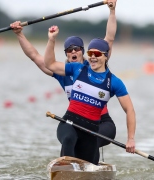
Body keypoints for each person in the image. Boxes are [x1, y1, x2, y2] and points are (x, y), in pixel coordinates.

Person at [10, 0, 118, 163]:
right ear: (66, 55)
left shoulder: (94, 66)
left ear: (83, 53)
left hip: (102, 123)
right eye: (69, 50)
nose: (73, 52)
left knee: (91, 140)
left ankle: (89, 169)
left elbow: (109, 39)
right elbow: (35, 56)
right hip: (76, 120)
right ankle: (66, 170)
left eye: (77, 49)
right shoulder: (62, 73)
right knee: (69, 140)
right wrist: (19, 34)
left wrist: (112, 11)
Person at [44, 25, 136, 165]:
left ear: (106, 56)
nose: (92, 57)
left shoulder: (114, 82)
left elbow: (129, 110)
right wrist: (51, 40)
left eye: (97, 54)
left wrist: (130, 139)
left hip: (91, 131)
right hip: (69, 123)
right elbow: (49, 64)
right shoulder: (77, 68)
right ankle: (67, 170)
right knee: (68, 139)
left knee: (89, 162)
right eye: (90, 53)